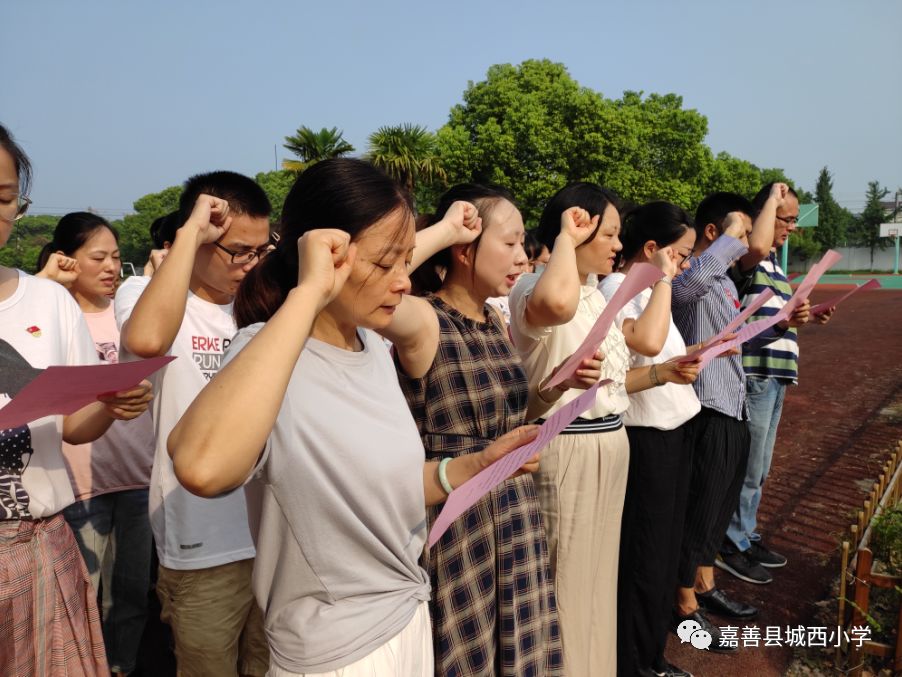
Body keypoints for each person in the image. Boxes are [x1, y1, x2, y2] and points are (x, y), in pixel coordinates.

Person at [167, 157, 543, 676]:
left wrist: (475, 465)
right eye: (385, 264)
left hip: (407, 617)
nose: (402, 282)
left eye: (406, 262)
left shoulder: (369, 345)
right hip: (334, 651)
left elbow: (384, 487)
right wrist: (308, 292)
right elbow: (202, 468)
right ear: (327, 256)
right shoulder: (268, 353)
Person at [399, 184, 605, 676]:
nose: (521, 257)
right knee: (467, 650)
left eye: (522, 243)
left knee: (520, 640)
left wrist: (557, 387)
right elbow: (364, 282)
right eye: (509, 243)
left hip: (514, 506)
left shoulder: (493, 318)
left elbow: (513, 410)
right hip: (456, 514)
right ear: (465, 250)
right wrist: (445, 229)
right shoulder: (424, 319)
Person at [508, 182, 699, 676]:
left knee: (597, 583)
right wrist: (564, 242)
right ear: (578, 226)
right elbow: (555, 306)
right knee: (566, 582)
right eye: (608, 234)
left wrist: (663, 373)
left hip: (610, 442)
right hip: (567, 448)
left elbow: (615, 382)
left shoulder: (595, 294)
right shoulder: (534, 286)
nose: (619, 246)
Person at [0, 123, 152, 676]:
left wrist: (110, 404)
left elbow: (73, 424)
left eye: (5, 197)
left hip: (40, 545)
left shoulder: (48, 302)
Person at [116, 171, 274, 676]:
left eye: (260, 250)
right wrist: (190, 234)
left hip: (271, 535)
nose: (250, 263)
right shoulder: (149, 294)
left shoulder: (263, 307)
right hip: (201, 542)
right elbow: (144, 343)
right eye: (237, 251)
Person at [670, 191, 795, 649]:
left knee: (715, 512)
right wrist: (729, 241)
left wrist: (777, 326)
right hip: (706, 407)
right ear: (713, 232)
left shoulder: (722, 280)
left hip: (731, 401)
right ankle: (683, 606)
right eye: (742, 232)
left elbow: (732, 340)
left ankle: (703, 585)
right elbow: (684, 293)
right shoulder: (690, 272)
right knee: (699, 511)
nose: (749, 245)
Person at [35, 212, 155, 676]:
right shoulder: (52, 315)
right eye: (98, 257)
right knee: (84, 595)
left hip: (138, 476)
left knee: (130, 593)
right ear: (68, 260)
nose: (110, 267)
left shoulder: (130, 314)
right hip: (79, 481)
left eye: (117, 258)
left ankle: (121, 666)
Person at [598, 201, 703, 677]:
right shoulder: (618, 287)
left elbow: (663, 356)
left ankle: (652, 654)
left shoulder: (647, 288)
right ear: (653, 249)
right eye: (680, 256)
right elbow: (648, 345)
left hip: (673, 430)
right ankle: (637, 662)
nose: (682, 267)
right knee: (646, 555)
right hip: (647, 438)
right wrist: (663, 277)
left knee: (663, 549)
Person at [718, 182, 829, 582]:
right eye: (786, 218)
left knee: (760, 466)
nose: (792, 227)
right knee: (748, 464)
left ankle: (745, 533)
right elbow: (748, 321)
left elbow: (768, 319)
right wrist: (770, 201)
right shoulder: (751, 257)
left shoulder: (777, 267)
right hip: (756, 372)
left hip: (776, 373)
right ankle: (732, 540)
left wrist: (806, 317)